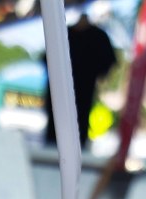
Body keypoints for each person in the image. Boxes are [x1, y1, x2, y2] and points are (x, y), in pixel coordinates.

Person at [44, 14, 117, 149]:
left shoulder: (97, 37)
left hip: (80, 97)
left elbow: (109, 63)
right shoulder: (64, 33)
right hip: (61, 96)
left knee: (74, 130)